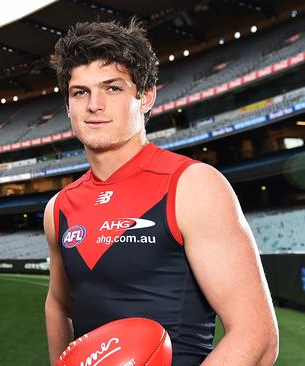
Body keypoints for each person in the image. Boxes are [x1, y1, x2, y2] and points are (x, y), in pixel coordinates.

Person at [44, 19, 278, 365]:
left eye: (113, 88)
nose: (94, 105)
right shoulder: (59, 208)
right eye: (80, 92)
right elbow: (59, 304)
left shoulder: (193, 185)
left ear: (146, 96)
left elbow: (256, 335)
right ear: (68, 105)